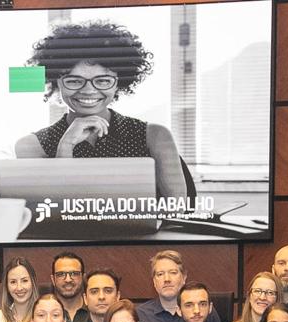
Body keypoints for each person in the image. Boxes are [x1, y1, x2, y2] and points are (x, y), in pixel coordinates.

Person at [15, 19, 194, 204]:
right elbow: (47, 211)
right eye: (74, 81)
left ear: (119, 82)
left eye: (103, 81)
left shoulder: (156, 135)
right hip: (68, 234)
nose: (88, 91)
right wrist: (66, 146)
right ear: (55, 82)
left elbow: (178, 208)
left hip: (141, 234)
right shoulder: (30, 146)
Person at [50, 252, 88, 322]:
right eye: (61, 274)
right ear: (53, 279)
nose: (68, 279)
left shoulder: (95, 312)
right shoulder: (43, 314)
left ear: (83, 278)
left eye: (74, 274)